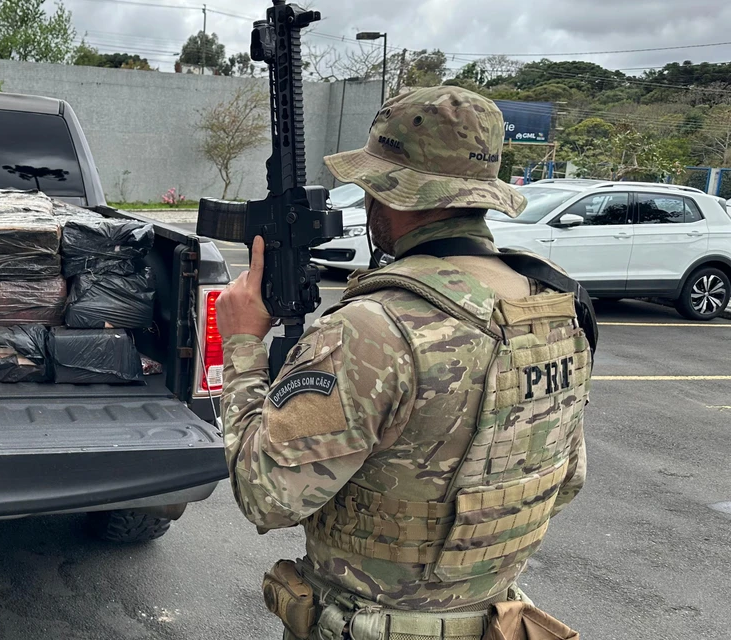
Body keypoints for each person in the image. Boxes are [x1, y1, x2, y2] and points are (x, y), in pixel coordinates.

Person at [216, 86, 589, 640]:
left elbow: (265, 495)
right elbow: (565, 481)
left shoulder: (372, 329)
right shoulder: (555, 304)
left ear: (392, 194)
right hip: (498, 623)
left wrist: (244, 345)